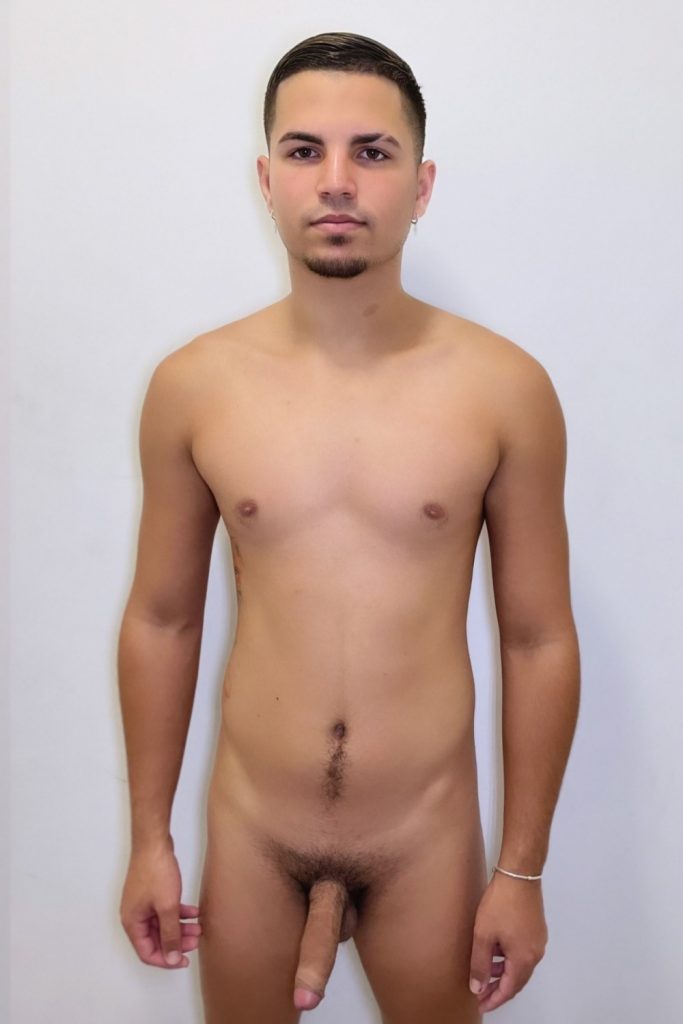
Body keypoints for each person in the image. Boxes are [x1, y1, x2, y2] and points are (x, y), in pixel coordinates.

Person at [117, 31, 581, 1023]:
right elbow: (162, 618)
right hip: (255, 832)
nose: (335, 180)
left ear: (420, 184)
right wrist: (149, 838)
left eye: (371, 151)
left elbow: (537, 637)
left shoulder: (504, 389)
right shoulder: (193, 386)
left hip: (423, 839)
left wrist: (521, 870)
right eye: (304, 151)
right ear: (266, 179)